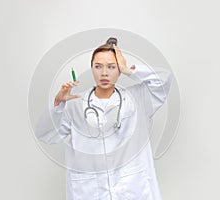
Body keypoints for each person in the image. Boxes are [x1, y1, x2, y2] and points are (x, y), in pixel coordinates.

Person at [35, 37, 172, 200]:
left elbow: (163, 81)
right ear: (91, 69)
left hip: (133, 189)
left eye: (111, 67)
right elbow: (45, 134)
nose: (104, 72)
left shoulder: (138, 98)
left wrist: (128, 70)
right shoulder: (75, 104)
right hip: (91, 192)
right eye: (98, 66)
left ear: (119, 69)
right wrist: (58, 103)